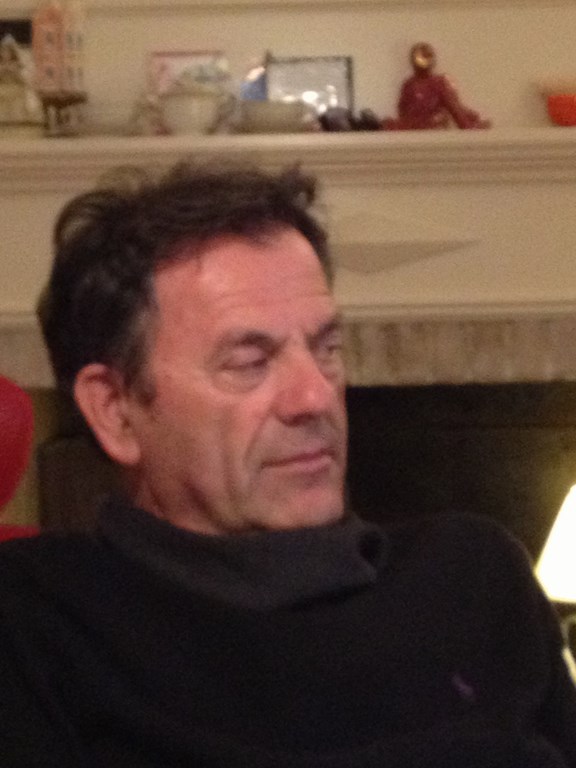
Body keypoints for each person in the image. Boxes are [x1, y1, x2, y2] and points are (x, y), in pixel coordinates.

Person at [0, 162, 574, 767]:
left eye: (327, 348)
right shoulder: (34, 622)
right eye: (249, 363)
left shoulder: (475, 575)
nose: (315, 397)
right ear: (116, 410)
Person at [383, 42, 491, 131]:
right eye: (421, 56)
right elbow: (402, 110)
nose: (423, 60)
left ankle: (469, 124)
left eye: (427, 56)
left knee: (460, 117)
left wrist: (466, 123)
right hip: (414, 125)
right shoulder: (409, 84)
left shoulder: (439, 82)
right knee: (387, 124)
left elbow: (454, 106)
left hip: (433, 122)